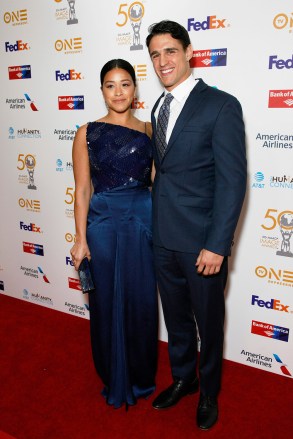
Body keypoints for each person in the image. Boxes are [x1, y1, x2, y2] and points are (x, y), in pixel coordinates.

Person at [146, 21, 247, 429]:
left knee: (208, 321)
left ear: (189, 52)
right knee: (176, 319)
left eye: (170, 51)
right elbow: (164, 172)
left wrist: (218, 244)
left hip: (203, 243)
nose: (163, 61)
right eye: (155, 54)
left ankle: (208, 392)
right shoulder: (158, 106)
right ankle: (183, 378)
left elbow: (232, 180)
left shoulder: (221, 105)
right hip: (163, 238)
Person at [70, 59, 158, 409]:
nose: (118, 91)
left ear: (135, 89)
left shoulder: (151, 131)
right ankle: (112, 372)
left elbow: (156, 182)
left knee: (141, 301)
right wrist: (80, 238)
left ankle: (139, 373)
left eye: (125, 84)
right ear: (102, 90)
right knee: (105, 301)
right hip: (103, 225)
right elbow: (81, 191)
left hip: (141, 222)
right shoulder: (87, 132)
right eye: (110, 85)